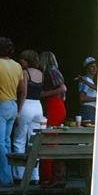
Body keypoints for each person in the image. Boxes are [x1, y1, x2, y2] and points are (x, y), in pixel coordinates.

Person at [0, 37, 24, 187]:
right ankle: (8, 175)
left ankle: (3, 178)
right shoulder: (17, 65)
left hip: (0, 105)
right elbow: (21, 87)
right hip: (13, 105)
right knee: (6, 142)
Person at [12, 50, 45, 184]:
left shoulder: (25, 73)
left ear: (27, 60)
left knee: (19, 140)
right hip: (38, 107)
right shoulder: (41, 74)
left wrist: (18, 111)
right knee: (33, 142)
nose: (21, 62)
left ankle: (20, 175)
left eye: (23, 60)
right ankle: (34, 176)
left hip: (27, 105)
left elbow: (23, 93)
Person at [39, 51, 67, 185]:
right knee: (52, 140)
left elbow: (62, 88)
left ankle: (48, 177)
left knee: (49, 141)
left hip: (54, 105)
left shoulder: (50, 73)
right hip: (58, 105)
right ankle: (52, 176)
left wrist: (43, 93)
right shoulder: (56, 72)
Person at [77, 57, 97, 124]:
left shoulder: (89, 81)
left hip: (91, 109)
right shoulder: (86, 80)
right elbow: (82, 98)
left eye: (95, 66)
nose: (95, 68)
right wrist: (97, 99)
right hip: (87, 109)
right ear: (87, 68)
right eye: (92, 66)